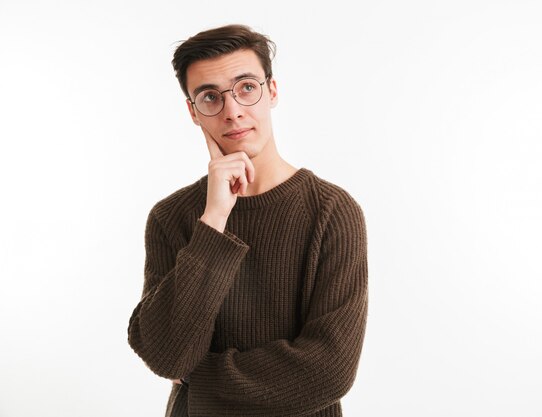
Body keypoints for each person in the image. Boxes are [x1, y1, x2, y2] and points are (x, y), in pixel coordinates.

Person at [127, 24, 368, 417]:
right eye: (210, 97)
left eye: (246, 87)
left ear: (271, 91)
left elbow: (329, 369)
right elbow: (168, 357)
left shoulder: (332, 211)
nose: (233, 110)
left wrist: (199, 379)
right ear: (193, 111)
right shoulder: (172, 218)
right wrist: (214, 220)